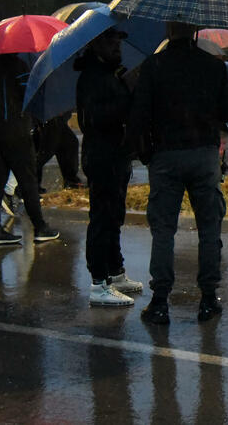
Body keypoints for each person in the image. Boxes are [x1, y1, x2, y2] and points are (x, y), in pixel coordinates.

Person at [129, 21, 228, 325]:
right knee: (209, 229)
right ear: (196, 30)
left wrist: (145, 153)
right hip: (204, 156)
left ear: (168, 30)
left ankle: (160, 302)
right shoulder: (214, 67)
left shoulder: (154, 66)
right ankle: (208, 299)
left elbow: (139, 116)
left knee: (163, 230)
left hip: (165, 156)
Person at [75, 27, 143, 306]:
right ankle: (98, 282)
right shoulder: (92, 78)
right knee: (102, 218)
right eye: (110, 41)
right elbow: (95, 119)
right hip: (101, 156)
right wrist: (126, 96)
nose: (117, 46)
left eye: (118, 40)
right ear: (95, 44)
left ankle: (115, 272)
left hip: (116, 155)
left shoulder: (109, 75)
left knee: (115, 215)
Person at [0, 54, 60, 246]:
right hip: (18, 130)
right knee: (28, 180)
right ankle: (40, 227)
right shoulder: (18, 66)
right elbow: (29, 96)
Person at [33, 113, 84, 192]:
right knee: (45, 151)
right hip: (49, 120)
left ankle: (71, 180)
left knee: (69, 143)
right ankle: (30, 184)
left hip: (57, 120)